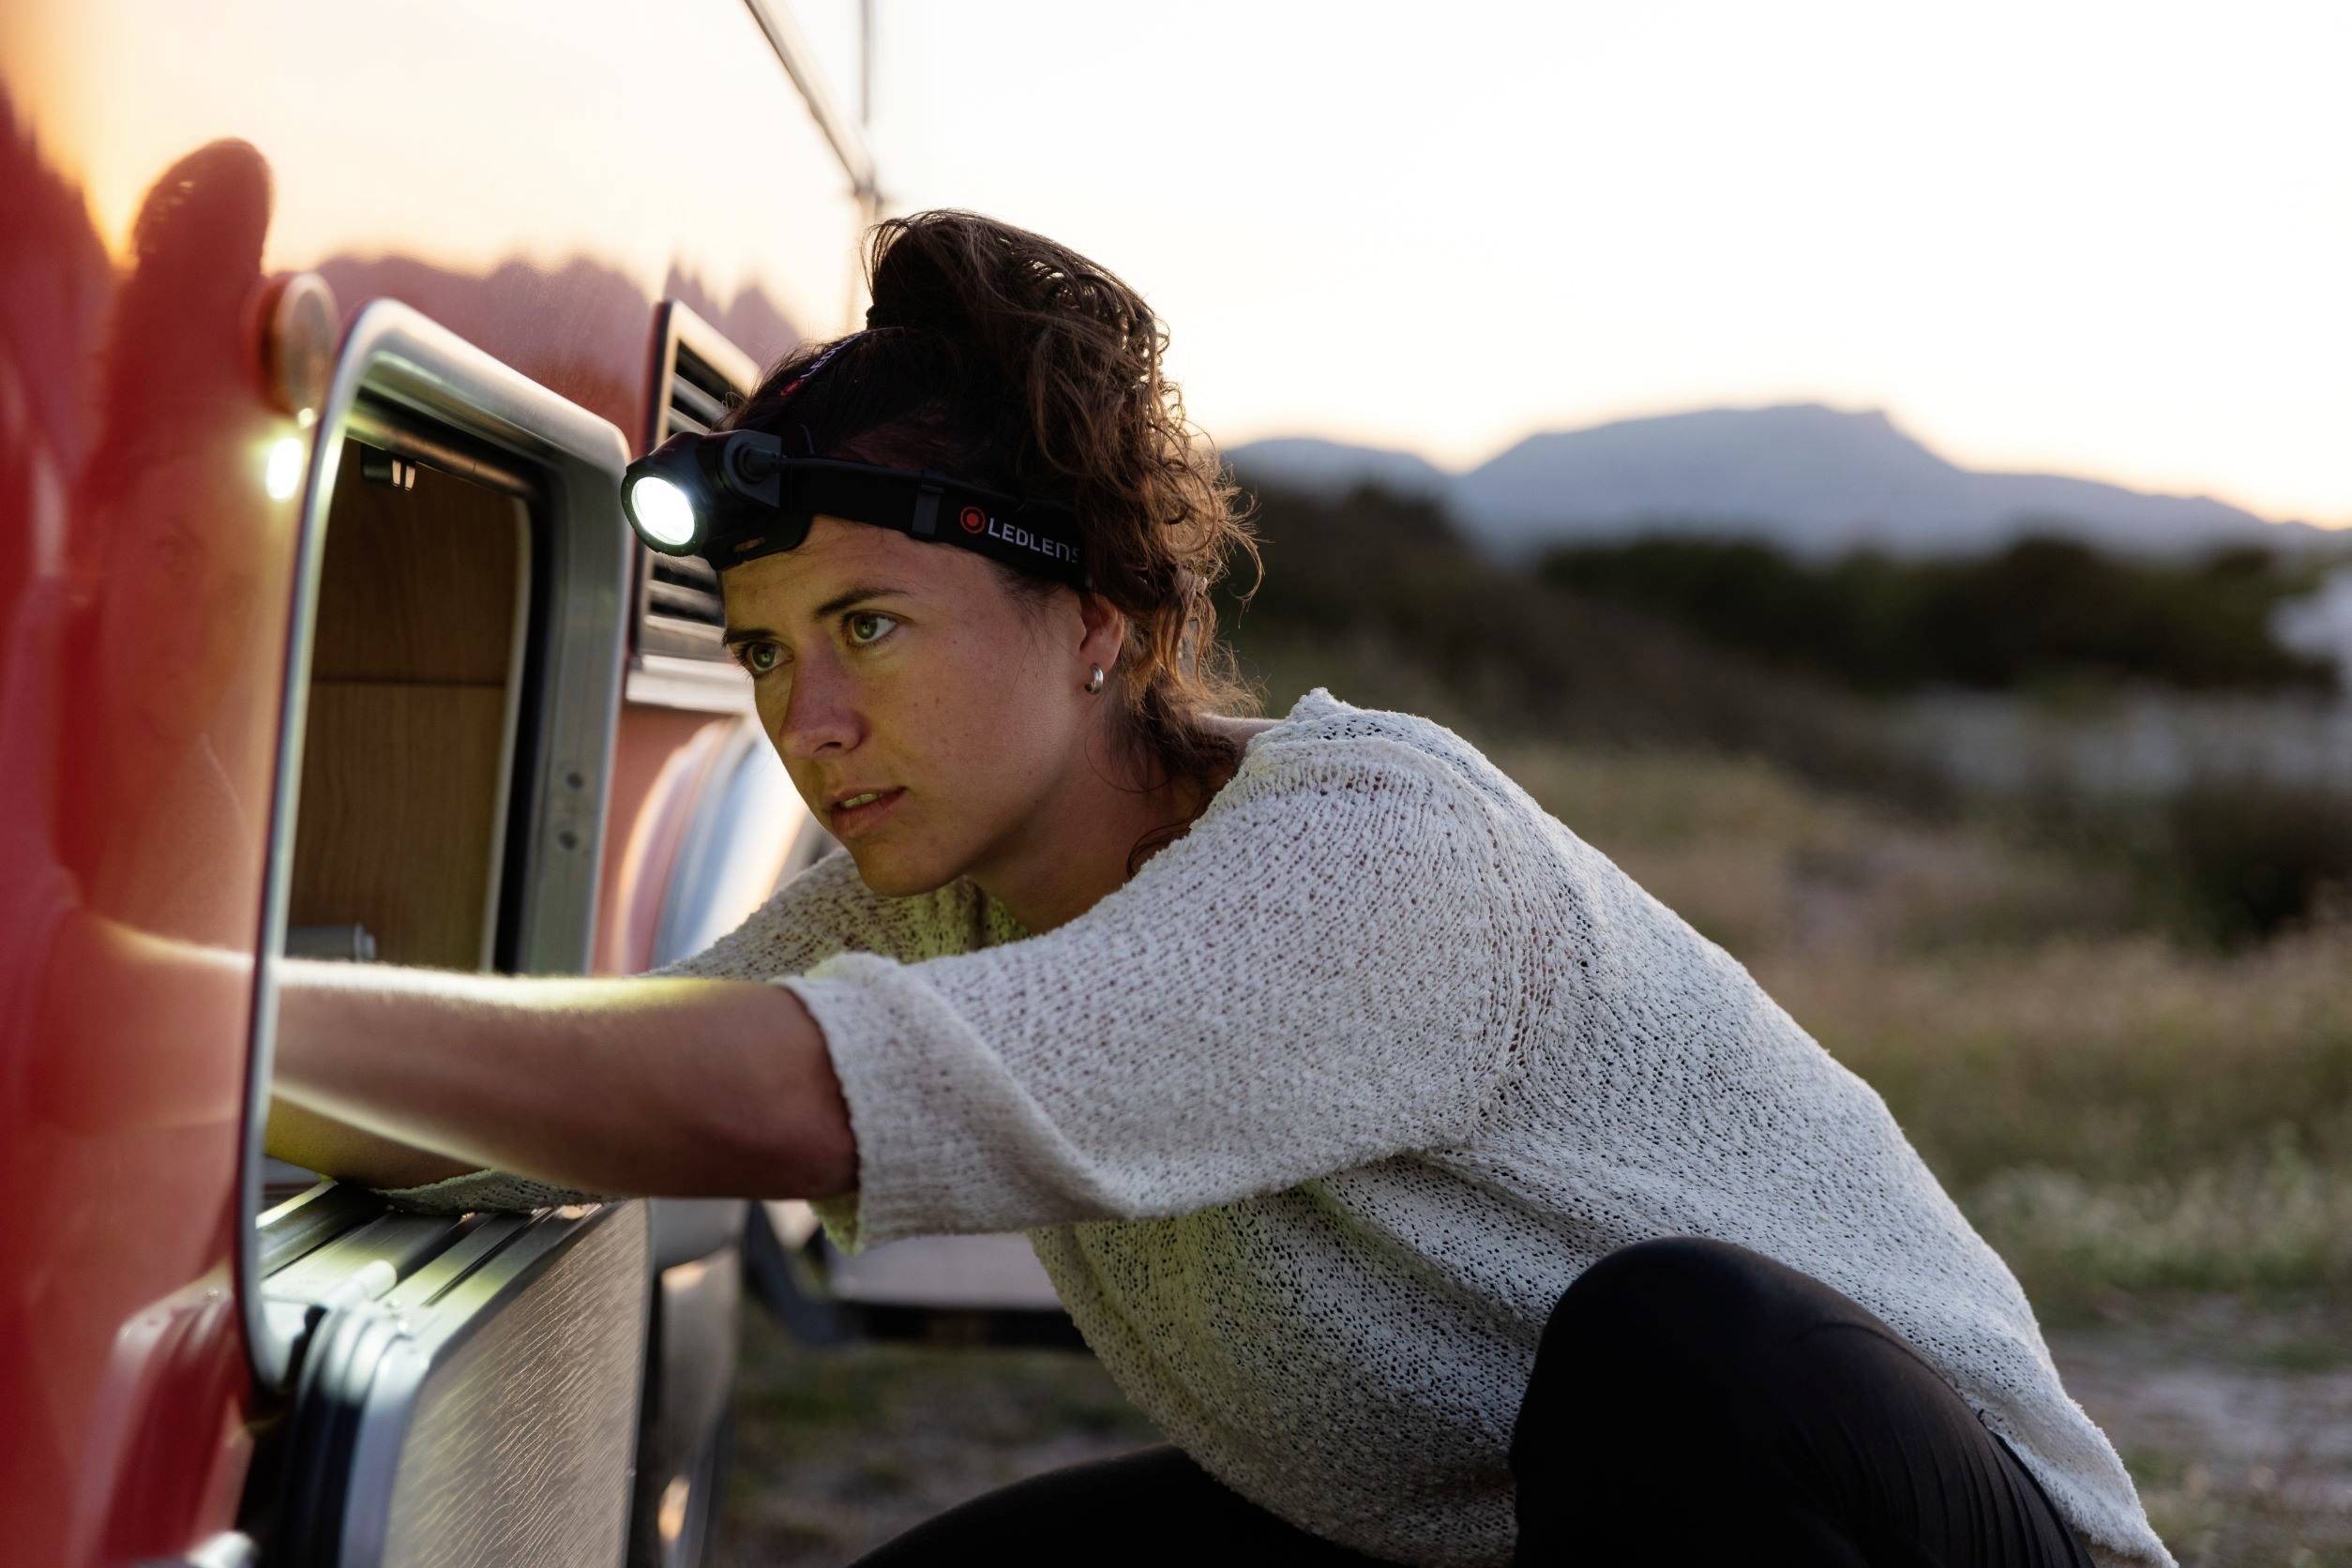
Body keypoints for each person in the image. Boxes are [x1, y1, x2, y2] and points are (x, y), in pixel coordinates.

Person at [266, 211, 2172, 1568]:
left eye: (868, 625)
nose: (809, 718)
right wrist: (220, 1073)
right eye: (762, 651)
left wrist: (167, 1012)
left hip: (1879, 1508)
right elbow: (632, 1076)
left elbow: (776, 1094)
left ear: (1101, 620)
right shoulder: (930, 882)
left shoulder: (1372, 853)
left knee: (1685, 1352)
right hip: (1522, 1524)